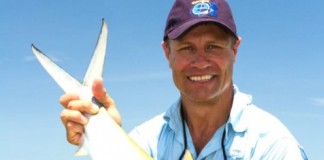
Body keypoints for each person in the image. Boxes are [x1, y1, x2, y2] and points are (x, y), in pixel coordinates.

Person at [60, 0, 308, 159]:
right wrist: (103, 132)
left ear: (235, 50)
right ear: (167, 53)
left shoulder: (275, 147)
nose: (200, 61)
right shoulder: (145, 140)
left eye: (212, 46)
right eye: (187, 48)